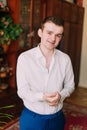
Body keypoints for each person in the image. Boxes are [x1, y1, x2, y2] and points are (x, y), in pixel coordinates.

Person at [16, 16, 75, 130]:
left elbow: (70, 86)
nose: (53, 39)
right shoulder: (25, 58)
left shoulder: (65, 59)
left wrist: (60, 96)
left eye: (58, 35)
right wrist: (42, 97)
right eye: (49, 33)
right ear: (40, 32)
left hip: (57, 117)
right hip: (32, 118)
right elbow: (22, 91)